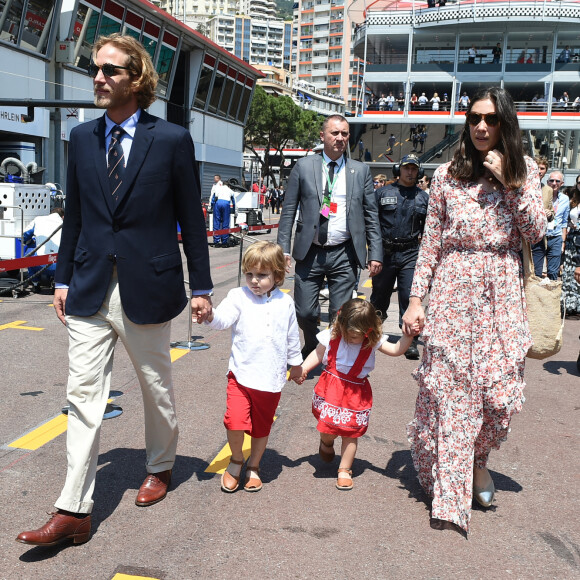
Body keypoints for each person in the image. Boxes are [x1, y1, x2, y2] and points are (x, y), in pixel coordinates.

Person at [16, 33, 213, 547]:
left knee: (155, 386)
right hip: (88, 284)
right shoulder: (81, 138)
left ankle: (161, 464)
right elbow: (76, 215)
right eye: (96, 69)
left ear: (137, 79)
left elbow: (190, 220)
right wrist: (60, 277)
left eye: (111, 70)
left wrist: (203, 286)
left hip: (148, 285)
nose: (99, 78)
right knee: (82, 396)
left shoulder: (170, 140)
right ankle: (73, 509)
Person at [402, 86, 546, 533]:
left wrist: (512, 181)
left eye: (491, 119)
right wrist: (414, 298)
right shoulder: (447, 174)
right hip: (452, 288)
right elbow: (430, 242)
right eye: (474, 118)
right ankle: (451, 486)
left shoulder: (525, 172)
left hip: (502, 292)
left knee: (500, 395)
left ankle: (477, 458)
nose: (481, 126)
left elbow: (536, 231)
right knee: (450, 391)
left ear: (505, 124)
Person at [277, 114, 383, 358]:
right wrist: (282, 248)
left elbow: (371, 215)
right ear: (323, 136)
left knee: (341, 313)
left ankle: (332, 354)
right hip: (309, 251)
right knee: (304, 311)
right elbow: (288, 211)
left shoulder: (360, 170)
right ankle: (313, 343)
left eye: (344, 134)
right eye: (334, 133)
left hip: (344, 252)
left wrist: (375, 252)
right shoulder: (304, 166)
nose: (340, 138)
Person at [204, 241, 302, 492]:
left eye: (262, 275)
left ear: (278, 275)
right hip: (241, 375)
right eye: (249, 274)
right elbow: (223, 319)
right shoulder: (238, 296)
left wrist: (297, 365)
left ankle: (254, 466)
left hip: (270, 380)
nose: (254, 280)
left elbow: (292, 337)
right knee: (235, 421)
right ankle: (236, 460)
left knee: (261, 427)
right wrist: (210, 315)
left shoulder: (285, 303)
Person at [294, 298, 416, 490]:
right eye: (347, 334)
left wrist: (409, 336)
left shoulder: (372, 341)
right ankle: (326, 443)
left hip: (355, 393)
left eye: (355, 336)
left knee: (351, 432)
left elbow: (395, 349)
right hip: (331, 389)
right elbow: (318, 354)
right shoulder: (332, 335)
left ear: (369, 330)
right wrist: (303, 369)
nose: (350, 339)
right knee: (327, 429)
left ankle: (344, 469)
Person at [370, 154, 429, 360]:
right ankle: (371, 336)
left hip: (411, 254)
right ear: (399, 170)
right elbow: (372, 224)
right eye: (406, 168)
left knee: (408, 296)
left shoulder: (424, 198)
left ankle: (410, 341)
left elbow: (429, 231)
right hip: (385, 254)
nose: (410, 172)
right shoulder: (382, 193)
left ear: (419, 172)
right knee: (379, 296)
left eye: (414, 169)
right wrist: (373, 253)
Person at [531, 170, 569, 280]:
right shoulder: (539, 196)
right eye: (551, 180)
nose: (554, 183)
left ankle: (552, 294)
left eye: (557, 181)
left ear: (562, 183)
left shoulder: (565, 199)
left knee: (553, 272)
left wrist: (563, 242)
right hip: (540, 237)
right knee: (536, 271)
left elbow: (564, 223)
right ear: (547, 182)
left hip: (556, 237)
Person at [22, 207, 64, 291]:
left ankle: (35, 283)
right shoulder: (66, 223)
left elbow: (23, 236)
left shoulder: (38, 220)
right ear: (63, 216)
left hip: (40, 264)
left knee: (30, 251)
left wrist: (30, 242)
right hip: (60, 265)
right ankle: (55, 281)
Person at [561, 178, 580, 316]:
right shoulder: (574, 198)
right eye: (579, 182)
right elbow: (566, 218)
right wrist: (570, 224)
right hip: (572, 239)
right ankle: (569, 305)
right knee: (569, 271)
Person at [209, 176, 236, 247]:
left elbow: (213, 198)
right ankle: (224, 242)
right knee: (225, 223)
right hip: (226, 204)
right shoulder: (231, 191)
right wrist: (235, 211)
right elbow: (234, 202)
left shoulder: (218, 188)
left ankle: (216, 241)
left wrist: (211, 207)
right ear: (229, 186)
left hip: (217, 204)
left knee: (216, 222)